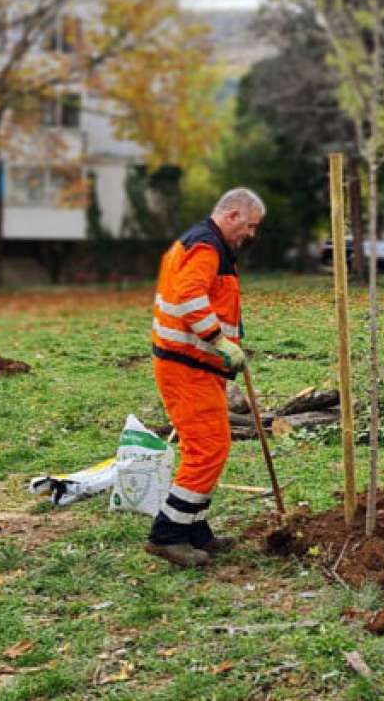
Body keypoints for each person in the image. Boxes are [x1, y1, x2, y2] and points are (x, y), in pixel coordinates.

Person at [145, 188, 265, 567]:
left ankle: (195, 530)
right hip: (186, 367)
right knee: (208, 448)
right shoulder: (206, 247)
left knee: (211, 447)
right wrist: (218, 340)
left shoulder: (208, 245)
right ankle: (167, 535)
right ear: (231, 215)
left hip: (196, 365)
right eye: (249, 226)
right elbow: (189, 297)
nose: (251, 234)